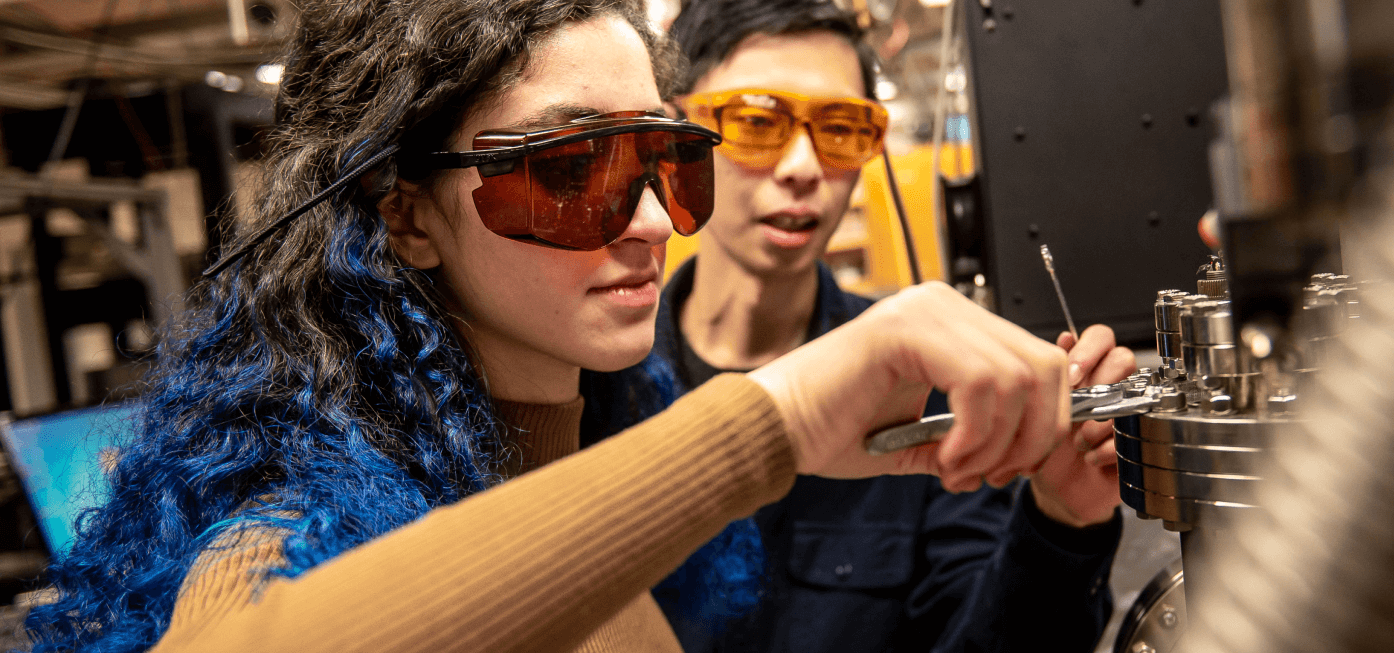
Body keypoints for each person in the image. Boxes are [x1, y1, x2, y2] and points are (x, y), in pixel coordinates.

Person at [22, 1, 1096, 651]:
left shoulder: (567, 463)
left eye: (661, 162)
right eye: (569, 167)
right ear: (404, 210)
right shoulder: (295, 527)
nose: (644, 223)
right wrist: (774, 417)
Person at [622, 2, 1134, 651]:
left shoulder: (927, 381)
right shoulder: (604, 383)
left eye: (839, 128)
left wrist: (1062, 518)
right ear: (677, 133)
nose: (803, 167)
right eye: (756, 121)